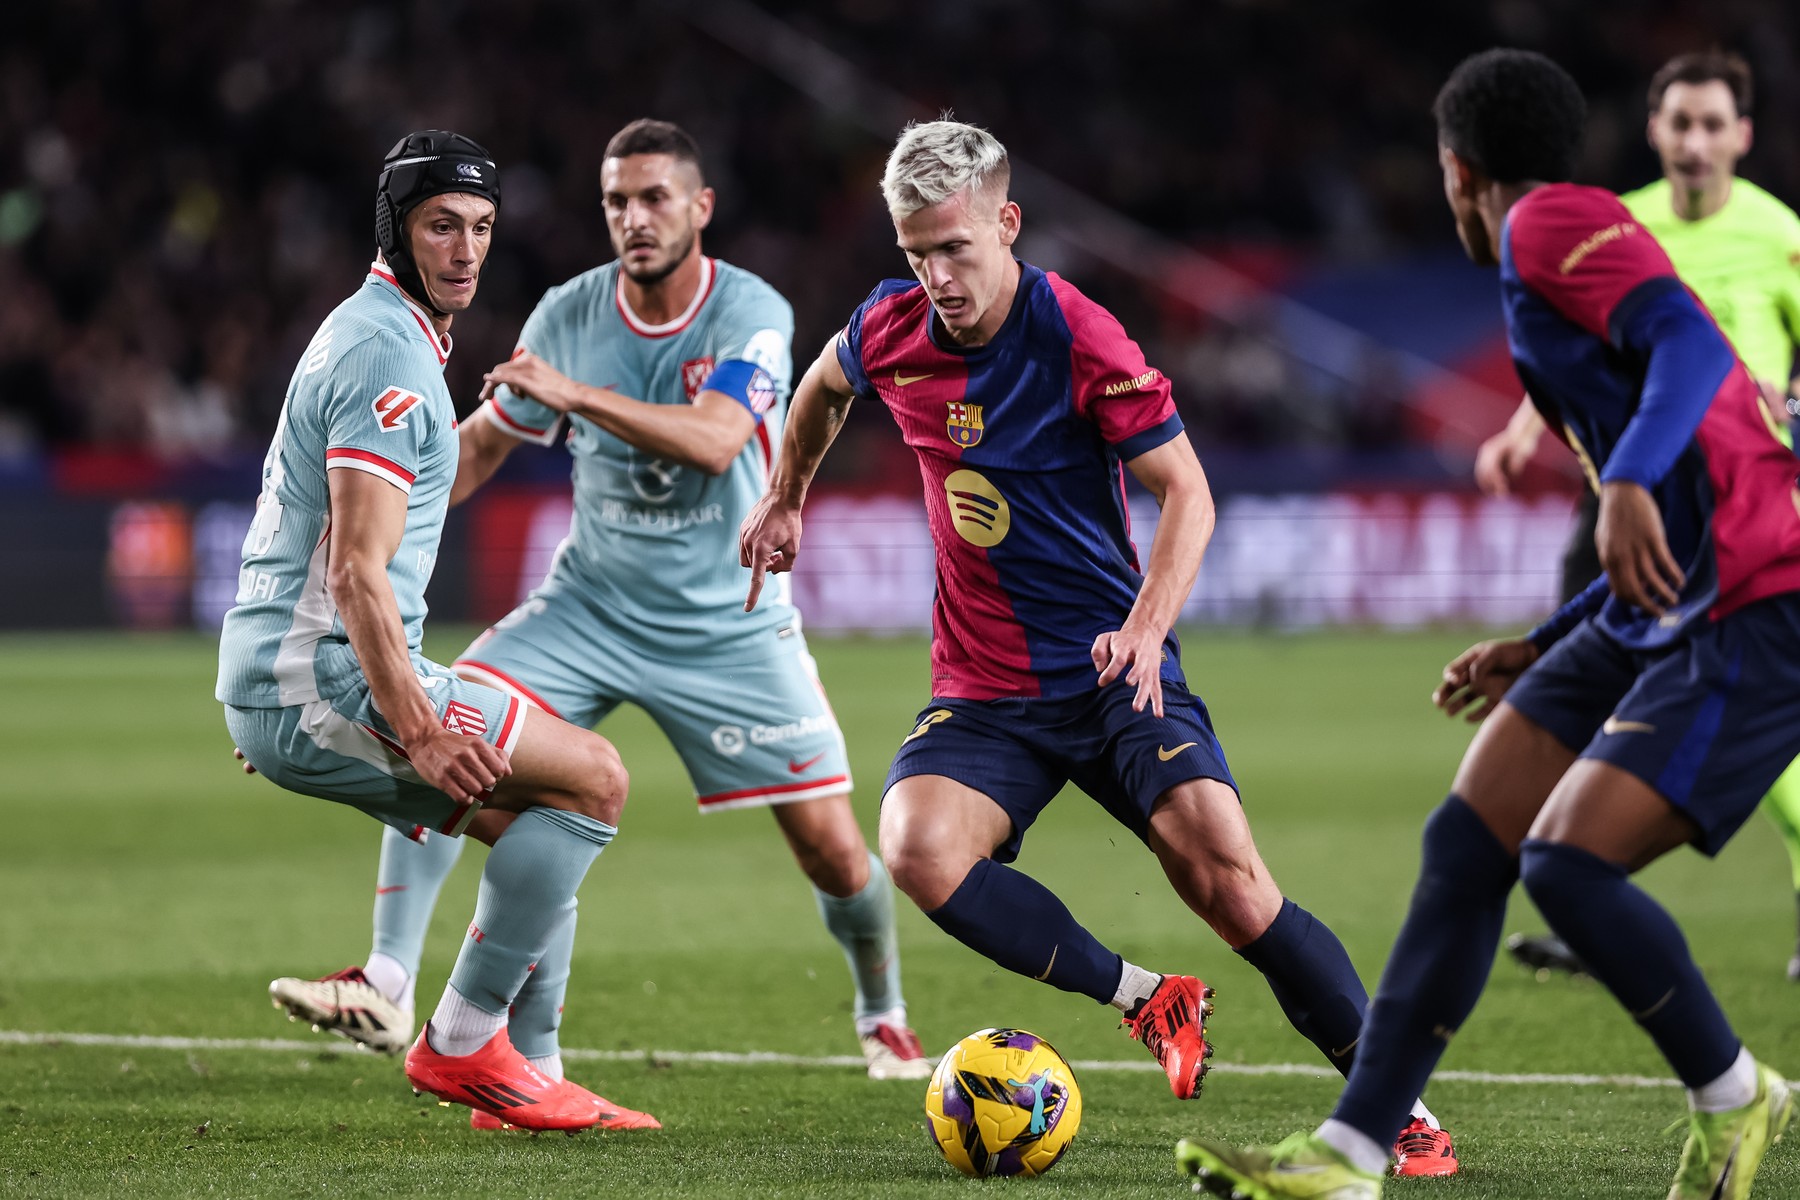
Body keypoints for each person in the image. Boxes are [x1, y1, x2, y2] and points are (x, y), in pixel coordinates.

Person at [738, 118, 1457, 1176]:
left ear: (1007, 223)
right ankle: (1147, 999)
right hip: (987, 687)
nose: (936, 275)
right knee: (917, 847)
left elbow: (1190, 494)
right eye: (915, 253)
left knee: (1228, 882)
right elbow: (824, 388)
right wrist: (785, 495)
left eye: (954, 248)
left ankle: (1399, 1109)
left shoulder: (1077, 333)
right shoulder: (889, 329)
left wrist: (1147, 629)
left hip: (1116, 667)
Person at [1177, 49, 1800, 1199]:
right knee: (1468, 845)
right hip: (1655, 594)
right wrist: (1546, 639)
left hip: (1756, 599)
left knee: (1565, 866)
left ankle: (1736, 1094)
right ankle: (1355, 1155)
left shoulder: (1543, 227)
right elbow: (1672, 456)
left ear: (1458, 168)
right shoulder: (1572, 238)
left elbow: (1687, 346)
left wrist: (1620, 486)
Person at [266, 119, 932, 1110]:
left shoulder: (751, 310)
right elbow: (485, 445)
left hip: (727, 623)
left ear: (699, 208)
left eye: (656, 198)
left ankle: (881, 1011)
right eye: (618, 200)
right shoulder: (571, 311)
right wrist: (372, 508)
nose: (634, 218)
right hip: (587, 604)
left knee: (832, 848)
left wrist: (572, 393)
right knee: (445, 721)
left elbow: (714, 443)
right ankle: (392, 981)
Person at [218, 132, 647, 1133]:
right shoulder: (386, 355)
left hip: (294, 674)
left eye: (482, 228)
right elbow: (355, 571)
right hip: (320, 671)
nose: (465, 250)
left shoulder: (382, 331)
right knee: (595, 779)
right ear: (397, 230)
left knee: (532, 823)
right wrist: (408, 728)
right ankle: (463, 1047)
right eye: (442, 225)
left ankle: (522, 1070)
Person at [1481, 50, 1800, 985]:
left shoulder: (1779, 234)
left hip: (1739, 505)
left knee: (1765, 723)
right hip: (1619, 489)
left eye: (1713, 125)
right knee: (1571, 691)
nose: (1695, 142)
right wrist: (1515, 429)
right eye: (1679, 123)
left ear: (1742, 137)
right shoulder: (1617, 221)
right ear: (1654, 131)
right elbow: (1583, 344)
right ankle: (1583, 890)